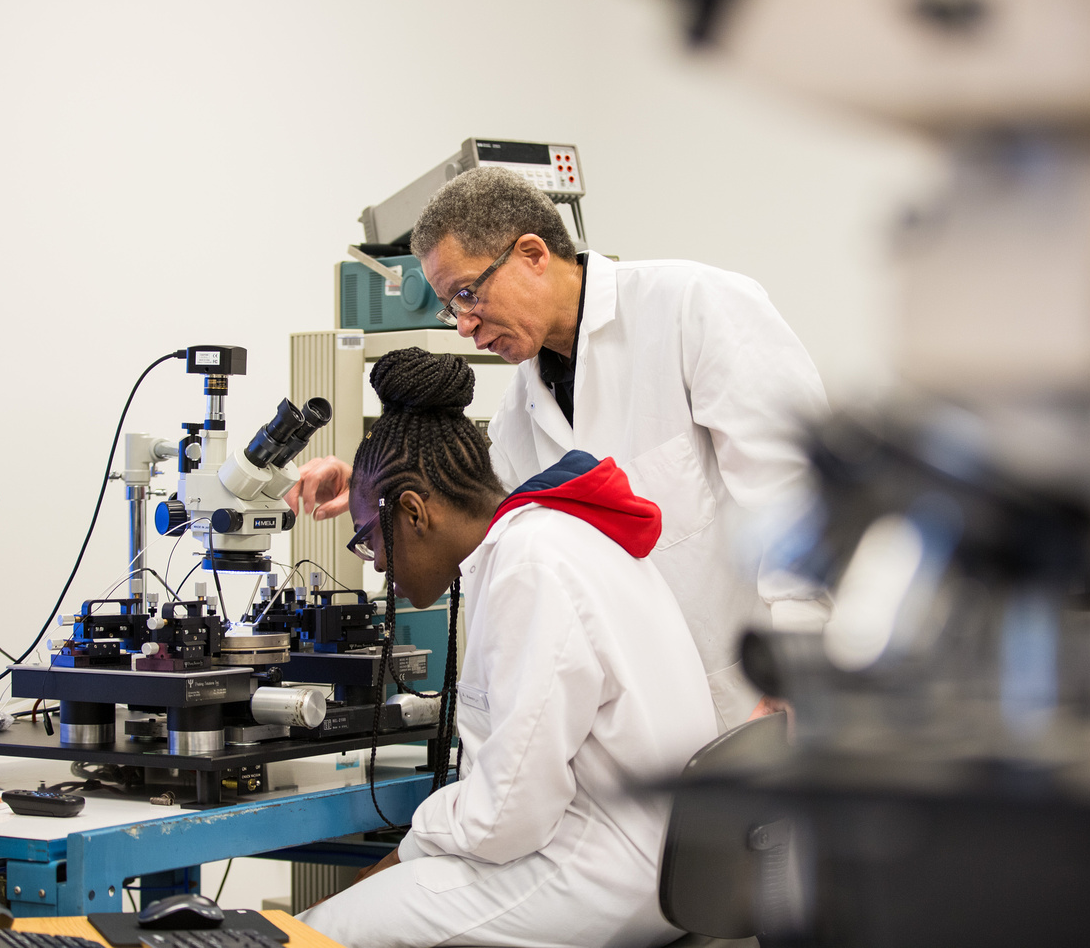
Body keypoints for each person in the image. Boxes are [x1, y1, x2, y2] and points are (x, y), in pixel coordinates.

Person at [289, 167, 830, 729]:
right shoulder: (522, 411)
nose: (464, 326)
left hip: (760, 699)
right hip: (648, 727)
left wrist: (800, 667)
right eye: (451, 307)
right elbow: (470, 509)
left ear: (532, 253)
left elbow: (801, 497)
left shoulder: (694, 308)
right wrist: (373, 485)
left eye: (468, 293)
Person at [297, 348, 717, 948]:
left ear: (413, 511)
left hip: (601, 872)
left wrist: (405, 851)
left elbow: (506, 818)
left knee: (322, 932)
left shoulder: (529, 565)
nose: (380, 565)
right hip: (663, 861)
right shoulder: (551, 536)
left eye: (370, 539)